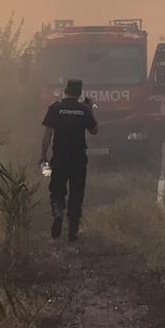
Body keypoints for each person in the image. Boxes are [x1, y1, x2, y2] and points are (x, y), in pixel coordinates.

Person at [40, 79, 99, 241]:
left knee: (57, 190)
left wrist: (43, 156)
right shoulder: (84, 110)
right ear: (80, 93)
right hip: (78, 158)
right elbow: (94, 131)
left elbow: (47, 135)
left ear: (65, 91)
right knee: (77, 193)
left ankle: (58, 213)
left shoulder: (55, 109)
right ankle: (73, 231)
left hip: (59, 157)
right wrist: (90, 109)